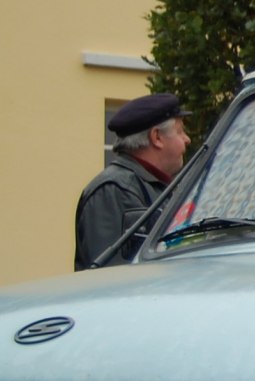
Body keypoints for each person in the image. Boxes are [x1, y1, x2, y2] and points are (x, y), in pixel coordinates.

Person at [74, 93, 191, 270]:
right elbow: (111, 278)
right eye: (180, 131)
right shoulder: (113, 191)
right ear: (156, 137)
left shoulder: (156, 186)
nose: (187, 139)